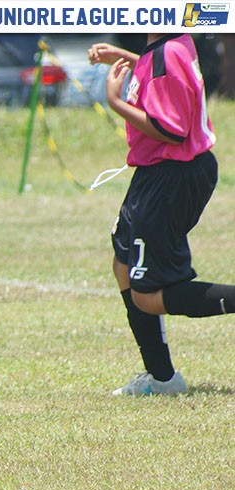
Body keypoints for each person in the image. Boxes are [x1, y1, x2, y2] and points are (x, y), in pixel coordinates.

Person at [89, 35, 235, 396]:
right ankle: (162, 378)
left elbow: (171, 130)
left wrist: (114, 100)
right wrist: (122, 57)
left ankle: (163, 379)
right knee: (123, 263)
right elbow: (159, 72)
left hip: (171, 175)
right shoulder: (173, 42)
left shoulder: (166, 53)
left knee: (148, 296)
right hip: (158, 173)